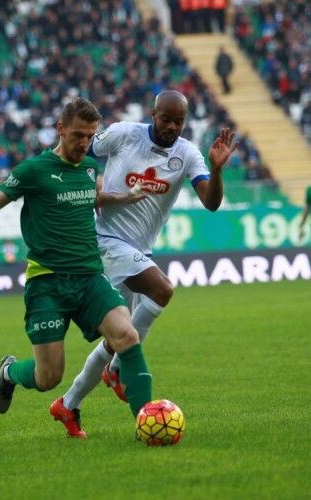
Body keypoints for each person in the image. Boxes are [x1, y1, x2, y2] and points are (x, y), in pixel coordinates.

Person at [0, 97, 153, 439]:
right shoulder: (34, 171)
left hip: (89, 278)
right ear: (60, 129)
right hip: (47, 284)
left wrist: (125, 197)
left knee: (127, 334)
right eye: (78, 135)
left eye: (90, 136)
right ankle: (9, 372)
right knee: (48, 377)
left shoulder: (88, 168)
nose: (84, 143)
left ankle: (147, 422)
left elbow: (91, 197)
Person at [52, 90, 237, 437]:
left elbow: (211, 203)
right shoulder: (124, 134)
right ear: (153, 114)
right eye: (166, 119)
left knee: (118, 337)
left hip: (139, 251)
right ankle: (118, 369)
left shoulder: (187, 154)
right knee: (162, 290)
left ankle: (68, 403)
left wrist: (216, 169)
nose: (172, 127)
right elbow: (76, 153)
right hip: (104, 239)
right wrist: (89, 186)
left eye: (179, 121)